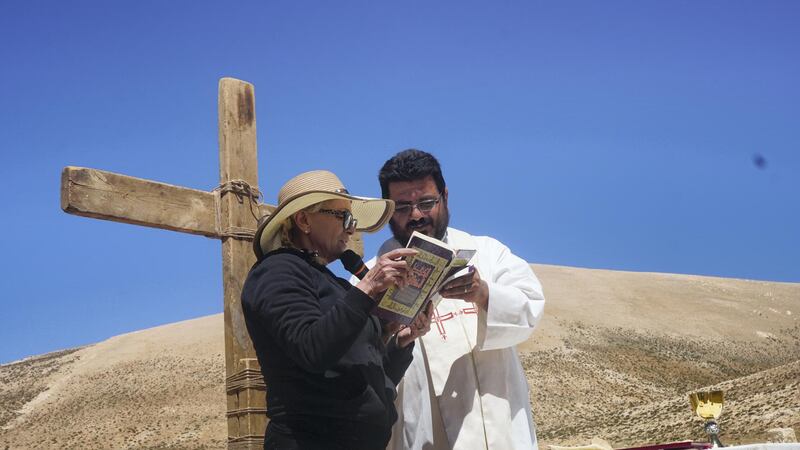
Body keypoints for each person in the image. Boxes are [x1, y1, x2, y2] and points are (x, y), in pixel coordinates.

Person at [366, 149, 546, 449]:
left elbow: (531, 309)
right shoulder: (369, 278)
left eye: (426, 202)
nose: (416, 216)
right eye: (402, 207)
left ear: (445, 197)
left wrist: (484, 293)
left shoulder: (488, 253)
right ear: (387, 209)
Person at [242, 169, 433, 450]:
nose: (351, 228)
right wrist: (367, 288)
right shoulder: (277, 271)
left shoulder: (333, 284)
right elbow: (312, 349)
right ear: (304, 220)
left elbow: (368, 380)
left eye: (352, 219)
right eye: (343, 217)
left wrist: (401, 341)